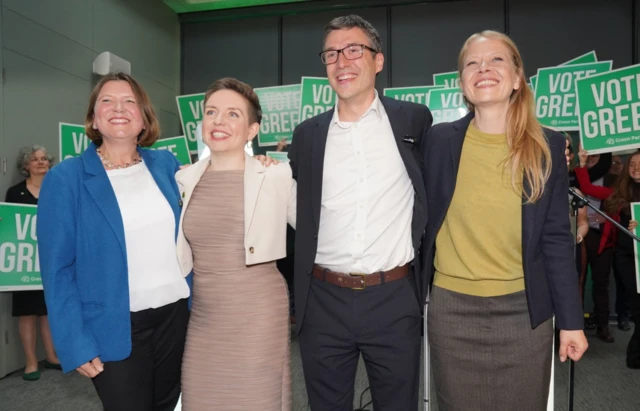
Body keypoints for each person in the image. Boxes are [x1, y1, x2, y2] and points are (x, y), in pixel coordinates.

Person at [422, 30, 588, 410]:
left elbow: (556, 242)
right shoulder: (437, 141)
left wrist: (571, 321)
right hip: (452, 311)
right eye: (472, 63)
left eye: (497, 59)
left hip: (525, 312)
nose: (484, 68)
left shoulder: (547, 145)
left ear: (517, 78)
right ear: (462, 83)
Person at [287, 15, 431, 411]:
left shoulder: (413, 121)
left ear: (378, 61)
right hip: (323, 300)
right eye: (331, 53)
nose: (342, 61)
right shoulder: (307, 136)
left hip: (395, 297)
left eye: (354, 50)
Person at [37, 72, 190, 411]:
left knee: (168, 405)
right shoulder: (66, 178)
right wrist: (73, 341)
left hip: (176, 318)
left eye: (129, 101)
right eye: (107, 100)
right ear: (93, 117)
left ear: (144, 116)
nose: (118, 108)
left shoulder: (166, 165)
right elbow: (57, 271)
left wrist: (263, 164)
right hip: (113, 326)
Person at [177, 77, 296, 410]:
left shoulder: (275, 175)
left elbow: (319, 231)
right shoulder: (184, 179)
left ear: (252, 130)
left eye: (233, 114)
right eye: (211, 112)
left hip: (257, 315)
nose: (219, 121)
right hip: (204, 317)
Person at [5, 145, 61, 381]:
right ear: (26, 166)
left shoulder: (58, 189)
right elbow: (10, 224)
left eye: (44, 159)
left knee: (48, 311)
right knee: (28, 312)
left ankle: (51, 356)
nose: (41, 162)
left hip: (51, 260)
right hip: (24, 263)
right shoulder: (15, 192)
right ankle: (30, 362)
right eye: (35, 159)